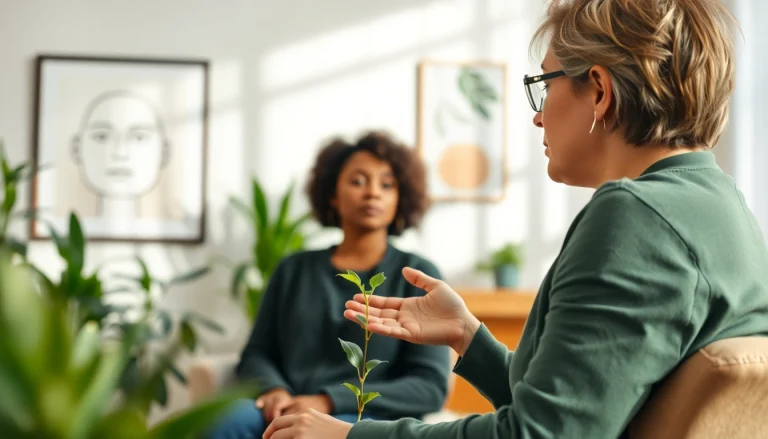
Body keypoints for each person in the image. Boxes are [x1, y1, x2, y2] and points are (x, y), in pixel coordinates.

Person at [262, 0, 768, 438]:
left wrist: (352, 436)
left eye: (544, 85)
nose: (538, 115)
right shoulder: (723, 207)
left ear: (598, 90)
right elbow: (580, 409)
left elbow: (539, 434)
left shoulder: (634, 217)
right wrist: (468, 335)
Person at [203, 131, 452, 438]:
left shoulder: (417, 275)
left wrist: (328, 401)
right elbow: (258, 352)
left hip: (368, 419)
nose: (373, 192)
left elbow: (429, 386)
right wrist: (274, 390)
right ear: (332, 194)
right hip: (287, 406)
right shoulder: (293, 269)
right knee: (226, 422)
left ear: (400, 197)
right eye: (358, 181)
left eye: (387, 184)